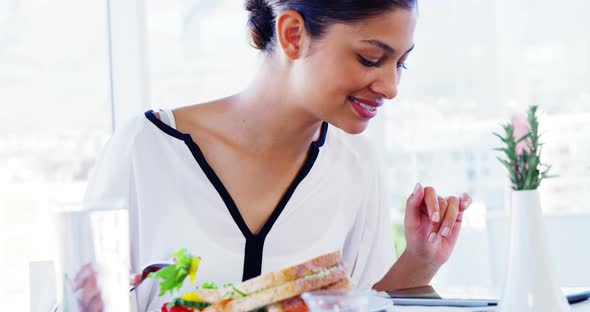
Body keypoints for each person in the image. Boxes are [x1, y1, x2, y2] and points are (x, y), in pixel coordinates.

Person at [76, 0, 472, 311]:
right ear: (293, 34)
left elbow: (365, 305)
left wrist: (420, 261)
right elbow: (82, 299)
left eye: (401, 63)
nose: (390, 87)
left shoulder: (356, 165)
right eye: (370, 59)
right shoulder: (146, 151)